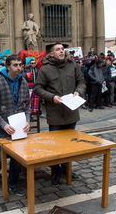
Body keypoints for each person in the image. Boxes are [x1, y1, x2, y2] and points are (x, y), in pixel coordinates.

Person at [35, 43, 85, 186]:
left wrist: (78, 91)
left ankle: (66, 169)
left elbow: (81, 82)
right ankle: (56, 172)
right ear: (51, 54)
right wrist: (52, 97)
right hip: (55, 114)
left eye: (62, 49)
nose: (61, 51)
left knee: (69, 144)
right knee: (55, 145)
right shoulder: (45, 70)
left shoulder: (72, 65)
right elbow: (38, 88)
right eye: (58, 49)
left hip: (71, 112)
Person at [0, 55, 31, 196]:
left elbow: (27, 105)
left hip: (19, 125)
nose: (19, 67)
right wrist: (3, 124)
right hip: (3, 126)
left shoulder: (23, 81)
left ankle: (13, 182)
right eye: (15, 65)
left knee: (17, 158)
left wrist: (27, 121)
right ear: (8, 66)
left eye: (20, 64)